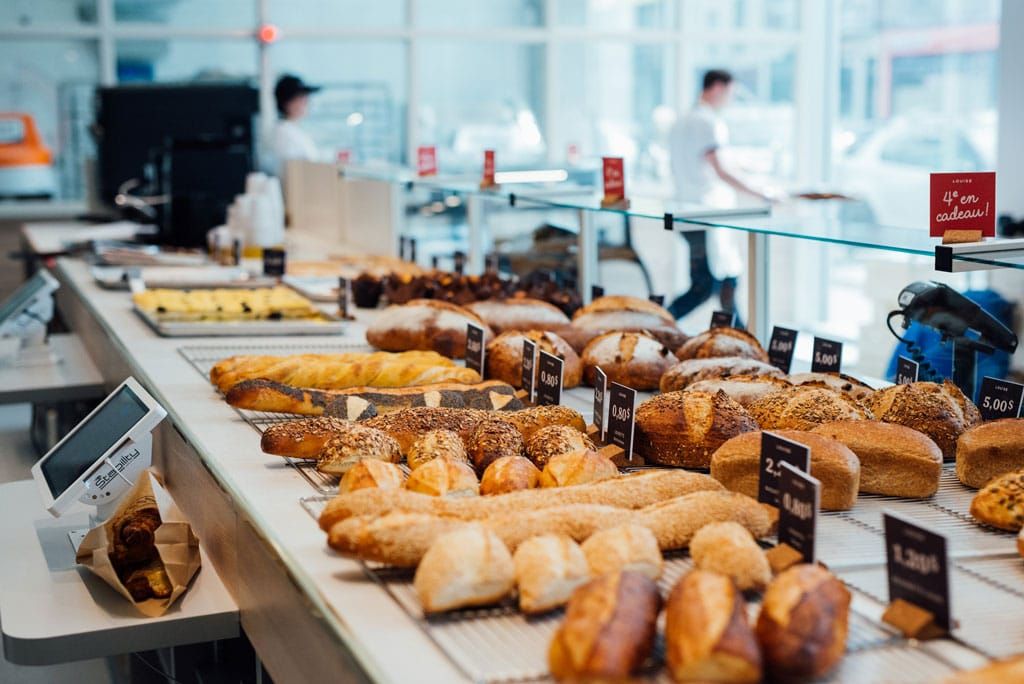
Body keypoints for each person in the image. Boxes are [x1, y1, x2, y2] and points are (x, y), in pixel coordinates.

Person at [668, 69, 769, 322]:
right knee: (707, 285)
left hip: (690, 213)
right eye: (730, 93)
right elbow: (720, 169)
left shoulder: (682, 121)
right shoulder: (707, 122)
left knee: (726, 281)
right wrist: (760, 192)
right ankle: (658, 324)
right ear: (717, 88)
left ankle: (743, 341)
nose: (730, 100)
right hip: (705, 214)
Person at [266, 74, 322, 177]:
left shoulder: (293, 130)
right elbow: (293, 174)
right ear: (288, 103)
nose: (306, 102)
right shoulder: (284, 133)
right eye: (301, 98)